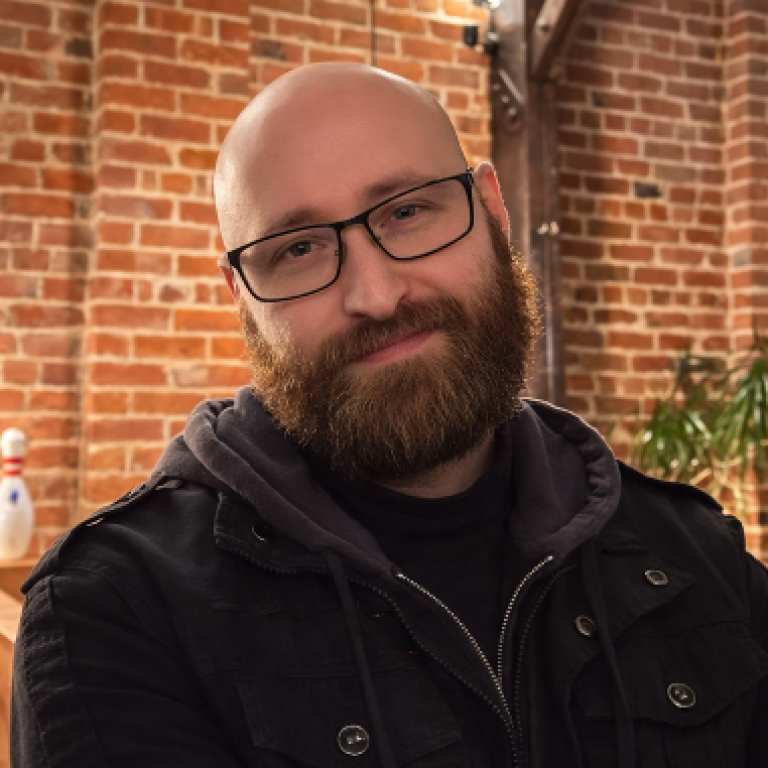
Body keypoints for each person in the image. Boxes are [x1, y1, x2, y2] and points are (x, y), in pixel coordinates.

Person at [11, 63, 768, 768]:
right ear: (243, 298)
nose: (375, 295)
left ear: (492, 210)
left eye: (407, 211)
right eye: (298, 250)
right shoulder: (112, 609)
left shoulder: (698, 554)